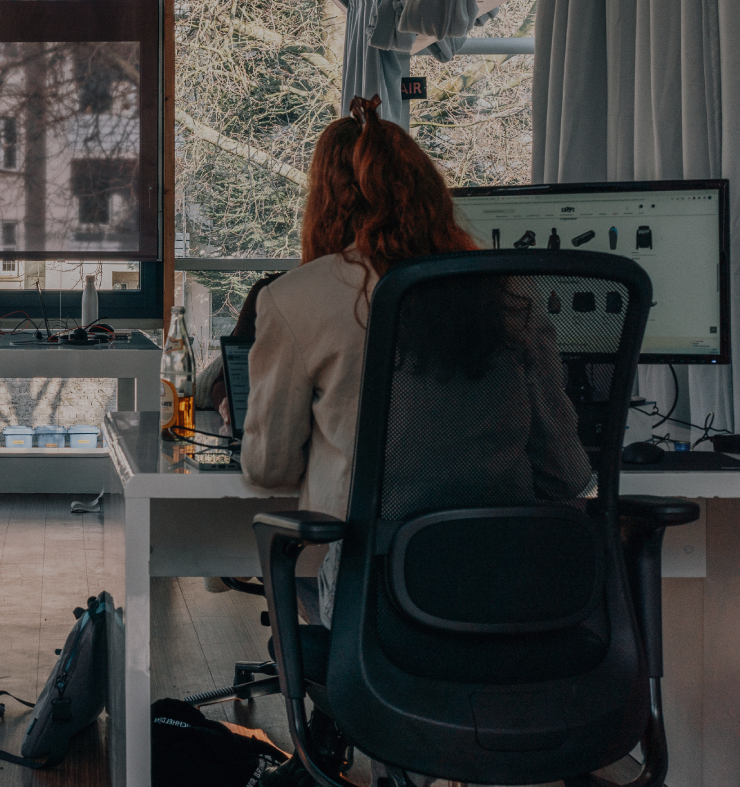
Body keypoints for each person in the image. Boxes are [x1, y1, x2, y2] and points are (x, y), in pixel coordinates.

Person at [240, 96, 590, 631]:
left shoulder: (296, 297)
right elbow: (565, 473)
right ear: (429, 192)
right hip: (513, 588)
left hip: (369, 590)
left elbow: (270, 469)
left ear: (325, 201)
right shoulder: (507, 290)